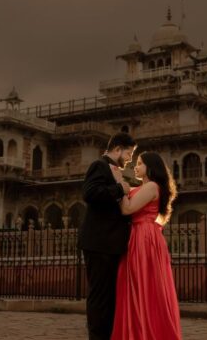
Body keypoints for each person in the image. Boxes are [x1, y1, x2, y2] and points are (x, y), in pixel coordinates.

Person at [110, 151, 182, 340]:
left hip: (144, 237)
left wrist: (119, 184)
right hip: (141, 235)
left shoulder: (151, 186)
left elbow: (127, 209)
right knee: (139, 284)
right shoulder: (145, 186)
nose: (136, 166)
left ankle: (146, 332)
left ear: (151, 167)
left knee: (144, 284)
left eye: (140, 163)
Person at [78, 132, 137, 340]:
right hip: (99, 242)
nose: (130, 158)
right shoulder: (99, 165)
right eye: (129, 153)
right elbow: (90, 193)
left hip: (110, 244)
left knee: (110, 295)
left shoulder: (116, 171)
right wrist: (120, 188)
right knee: (100, 295)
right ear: (118, 149)